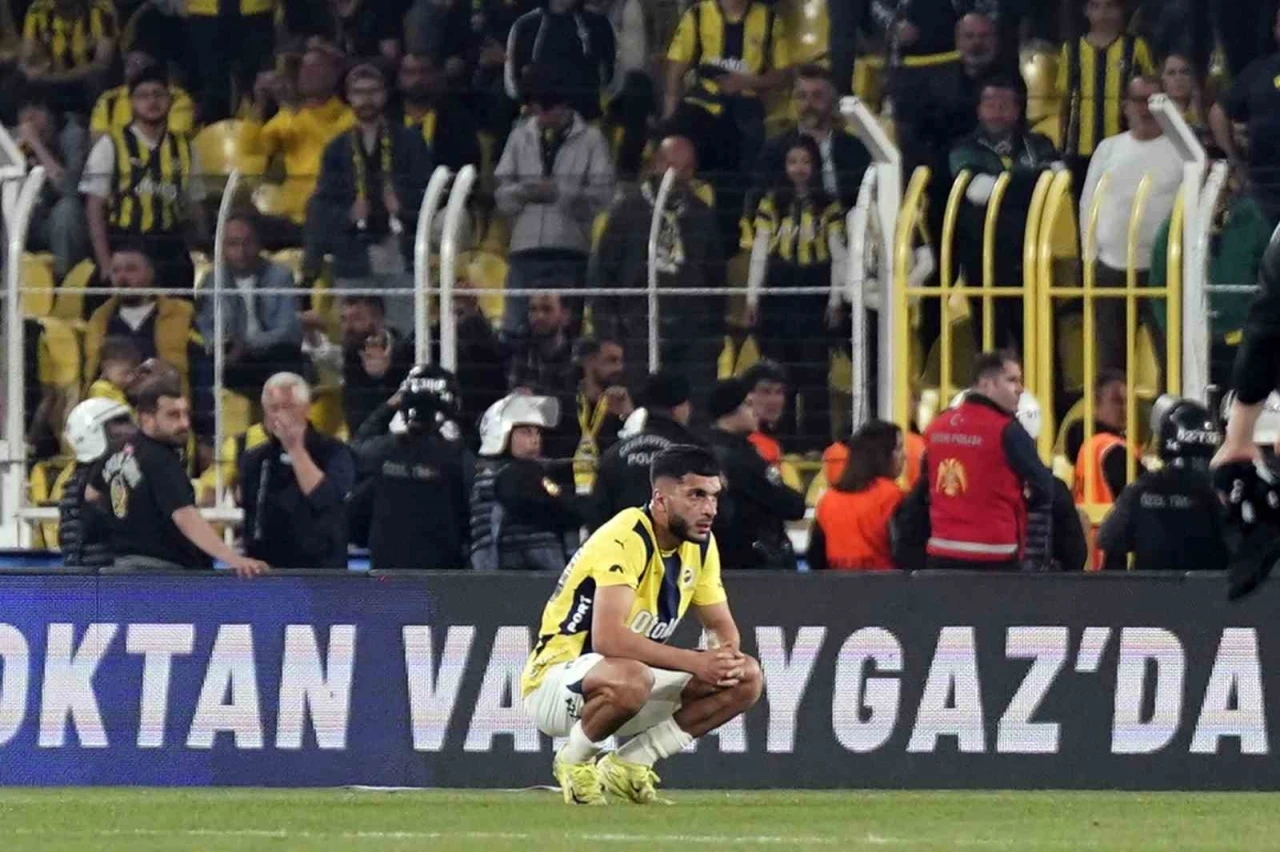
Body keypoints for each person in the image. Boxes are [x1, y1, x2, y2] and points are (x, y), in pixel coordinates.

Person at [521, 444, 762, 805]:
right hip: (556, 683)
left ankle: (632, 763)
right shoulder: (625, 537)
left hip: (630, 682)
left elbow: (720, 626)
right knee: (632, 676)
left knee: (745, 677)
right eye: (696, 495)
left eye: (713, 496)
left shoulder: (700, 544)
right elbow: (609, 639)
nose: (709, 508)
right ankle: (574, 761)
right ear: (660, 499)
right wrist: (696, 662)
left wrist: (722, 656)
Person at [589, 135, 725, 400]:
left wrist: (713, 337)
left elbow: (716, 279)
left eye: (687, 168)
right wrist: (607, 334)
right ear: (656, 164)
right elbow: (602, 277)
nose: (679, 175)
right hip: (636, 332)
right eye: (672, 166)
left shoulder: (701, 215)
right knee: (640, 405)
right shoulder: (626, 212)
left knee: (692, 406)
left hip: (691, 336)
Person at [92, 371, 267, 576]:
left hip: (121, 569)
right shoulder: (160, 460)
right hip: (163, 574)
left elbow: (91, 494)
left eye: (185, 414)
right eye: (173, 415)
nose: (184, 423)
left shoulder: (116, 450)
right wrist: (233, 559)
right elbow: (185, 517)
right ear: (147, 419)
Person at [309, 63, 433, 337]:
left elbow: (428, 192)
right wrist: (349, 215)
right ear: (348, 97)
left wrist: (401, 205)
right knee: (355, 333)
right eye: (359, 92)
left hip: (398, 248)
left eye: (373, 91)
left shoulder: (410, 141)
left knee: (404, 333)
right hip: (353, 253)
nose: (366, 99)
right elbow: (322, 205)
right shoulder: (336, 149)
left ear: (385, 94)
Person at [494, 64, 615, 341]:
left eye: (546, 110)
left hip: (570, 252)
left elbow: (603, 197)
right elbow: (501, 195)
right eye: (536, 110)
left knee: (567, 333)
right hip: (524, 251)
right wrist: (526, 191)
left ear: (563, 105)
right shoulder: (519, 137)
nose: (541, 117)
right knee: (515, 331)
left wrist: (561, 193)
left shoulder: (592, 140)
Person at [743, 134, 847, 453]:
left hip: (814, 292)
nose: (799, 168)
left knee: (814, 371)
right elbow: (760, 251)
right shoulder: (771, 203)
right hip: (778, 292)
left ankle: (816, 444)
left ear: (815, 166)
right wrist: (752, 297)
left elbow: (838, 255)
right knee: (779, 371)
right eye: (793, 161)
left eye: (805, 161)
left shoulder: (829, 206)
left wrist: (835, 299)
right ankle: (781, 441)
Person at [1079, 75, 1182, 371]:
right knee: (1110, 364)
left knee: (1172, 361)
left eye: (1154, 100)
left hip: (1164, 270)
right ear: (1125, 106)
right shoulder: (1108, 148)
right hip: (1111, 267)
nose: (1146, 108)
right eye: (1139, 100)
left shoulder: (1183, 150)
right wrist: (1089, 258)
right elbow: (1088, 203)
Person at [915, 351, 1053, 570]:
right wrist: (1023, 502)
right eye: (1012, 380)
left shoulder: (937, 426)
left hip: (942, 551)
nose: (1020, 389)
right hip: (994, 554)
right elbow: (1045, 486)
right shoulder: (1006, 430)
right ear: (987, 384)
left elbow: (925, 484)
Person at [663, 0, 790, 236]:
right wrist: (669, 118)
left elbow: (783, 74)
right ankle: (670, 215)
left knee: (747, 148)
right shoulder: (697, 15)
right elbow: (675, 72)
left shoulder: (770, 20)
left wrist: (747, 82)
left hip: (745, 107)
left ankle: (737, 225)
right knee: (678, 138)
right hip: (701, 105)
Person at [80, 63, 206, 291]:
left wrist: (203, 246)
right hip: (124, 242)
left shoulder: (186, 147)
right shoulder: (111, 144)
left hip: (169, 245)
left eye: (158, 94)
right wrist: (105, 263)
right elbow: (94, 207)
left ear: (170, 100)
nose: (152, 101)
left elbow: (194, 204)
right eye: (143, 96)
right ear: (131, 102)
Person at [349, 365, 473, 570]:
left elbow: (356, 451)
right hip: (443, 574)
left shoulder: (382, 451)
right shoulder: (457, 456)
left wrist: (388, 407)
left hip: (387, 574)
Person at [239, 373, 355, 569]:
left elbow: (324, 498)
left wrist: (294, 448)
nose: (279, 415)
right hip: (267, 569)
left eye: (287, 407)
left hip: (321, 570)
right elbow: (250, 513)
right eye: (273, 408)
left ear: (306, 408)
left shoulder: (335, 451)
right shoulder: (254, 459)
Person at [1098, 395, 1226, 572]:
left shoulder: (1142, 489)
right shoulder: (1223, 489)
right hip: (1210, 588)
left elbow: (1109, 540)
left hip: (1150, 588)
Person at [242, 47, 353, 247]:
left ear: (334, 75)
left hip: (332, 218)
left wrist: (291, 106)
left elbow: (328, 142)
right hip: (291, 218)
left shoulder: (349, 117)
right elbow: (252, 149)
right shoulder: (288, 116)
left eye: (315, 67)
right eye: (303, 68)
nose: (306, 74)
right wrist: (259, 103)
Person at [195, 212, 305, 401]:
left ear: (259, 243)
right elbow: (205, 326)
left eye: (248, 242)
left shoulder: (281, 276)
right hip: (233, 360)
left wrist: (246, 345)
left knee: (287, 356)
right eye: (233, 244)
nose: (241, 251)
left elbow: (288, 330)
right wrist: (219, 345)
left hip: (271, 355)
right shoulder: (212, 281)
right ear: (221, 247)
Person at [470, 393, 584, 570]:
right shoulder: (503, 476)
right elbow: (553, 506)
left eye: (537, 432)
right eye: (526, 432)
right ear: (501, 433)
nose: (535, 439)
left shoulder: (532, 472)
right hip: (512, 571)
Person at [705, 378, 806, 570]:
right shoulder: (741, 458)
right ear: (730, 410)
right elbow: (791, 505)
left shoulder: (703, 449)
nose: (756, 411)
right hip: (753, 563)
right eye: (748, 404)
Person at [750, 65, 872, 215]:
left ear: (833, 101)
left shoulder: (855, 149)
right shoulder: (774, 150)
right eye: (802, 96)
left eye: (817, 96)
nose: (808, 104)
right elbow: (759, 200)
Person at [84, 243, 201, 395]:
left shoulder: (182, 313)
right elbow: (91, 374)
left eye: (131, 269)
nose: (122, 277)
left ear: (151, 272)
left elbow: (201, 371)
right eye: (116, 271)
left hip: (166, 403)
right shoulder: (99, 318)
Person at [589, 371, 700, 529]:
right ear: (680, 407)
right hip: (675, 541)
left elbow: (597, 515)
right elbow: (718, 512)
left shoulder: (614, 454)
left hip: (625, 540)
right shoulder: (694, 453)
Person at [1057, 0, 1156, 171]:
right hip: (1080, 147)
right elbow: (1064, 101)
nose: (1103, 13)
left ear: (1120, 10)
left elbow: (1152, 91)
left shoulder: (1136, 47)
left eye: (1110, 6)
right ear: (1086, 11)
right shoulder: (1072, 49)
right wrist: (1061, 142)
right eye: (1096, 6)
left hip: (1125, 142)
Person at [1211, 6, 1280, 227]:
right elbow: (1218, 112)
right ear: (1275, 29)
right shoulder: (1258, 71)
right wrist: (1234, 161)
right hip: (1263, 187)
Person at [809, 419, 905, 571]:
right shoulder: (892, 496)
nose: (904, 456)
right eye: (898, 449)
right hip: (885, 581)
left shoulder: (828, 499)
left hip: (837, 581)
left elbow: (816, 556)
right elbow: (905, 550)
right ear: (882, 454)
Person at [543, 336, 632, 493]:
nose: (619, 368)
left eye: (620, 361)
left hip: (607, 494)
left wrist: (628, 417)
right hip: (563, 491)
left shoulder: (621, 403)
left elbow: (633, 452)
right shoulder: (562, 403)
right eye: (611, 360)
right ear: (589, 361)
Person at [15, 91, 88, 279]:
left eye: (37, 110)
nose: (30, 119)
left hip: (56, 220)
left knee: (67, 210)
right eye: (25, 111)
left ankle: (63, 281)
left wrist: (37, 145)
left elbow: (69, 188)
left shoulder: (73, 135)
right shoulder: (11, 138)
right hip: (25, 217)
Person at [504, 0, 616, 121]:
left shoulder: (598, 23)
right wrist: (526, 102)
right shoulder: (525, 25)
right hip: (537, 118)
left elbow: (611, 70)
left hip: (586, 117)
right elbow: (512, 75)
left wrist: (600, 104)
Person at [58, 397, 133, 568]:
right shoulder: (101, 481)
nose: (130, 430)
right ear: (93, 432)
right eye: (119, 423)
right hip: (103, 580)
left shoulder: (79, 479)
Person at [181, 0, 275, 122]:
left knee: (260, 84)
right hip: (204, 12)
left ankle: (264, 128)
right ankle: (215, 129)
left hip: (256, 11)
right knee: (212, 85)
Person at [19, 0, 116, 114]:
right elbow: (27, 58)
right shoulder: (38, 9)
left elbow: (102, 64)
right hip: (50, 81)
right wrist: (32, 70)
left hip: (84, 82)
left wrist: (56, 78)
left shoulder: (102, 8)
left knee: (96, 79)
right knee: (18, 81)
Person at [398, 52, 481, 172]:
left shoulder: (457, 118)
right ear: (399, 77)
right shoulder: (388, 117)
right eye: (410, 72)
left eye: (424, 72)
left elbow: (468, 165)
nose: (418, 79)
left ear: (436, 75)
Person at [89, 47, 197, 138]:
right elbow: (98, 138)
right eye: (129, 64)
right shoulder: (110, 99)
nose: (133, 69)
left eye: (140, 63)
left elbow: (176, 137)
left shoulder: (177, 97)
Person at [1068, 369, 1136, 509]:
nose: (1124, 408)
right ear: (1097, 403)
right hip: (1112, 521)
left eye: (1127, 401)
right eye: (1116, 401)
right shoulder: (1111, 448)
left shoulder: (1084, 446)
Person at [506, 292, 577, 396]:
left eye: (547, 309)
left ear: (565, 316)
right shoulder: (521, 351)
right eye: (533, 309)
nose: (539, 316)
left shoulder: (579, 355)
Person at [87, 336, 140, 406]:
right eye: (125, 373)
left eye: (133, 373)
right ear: (106, 368)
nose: (131, 378)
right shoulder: (100, 389)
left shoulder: (121, 390)